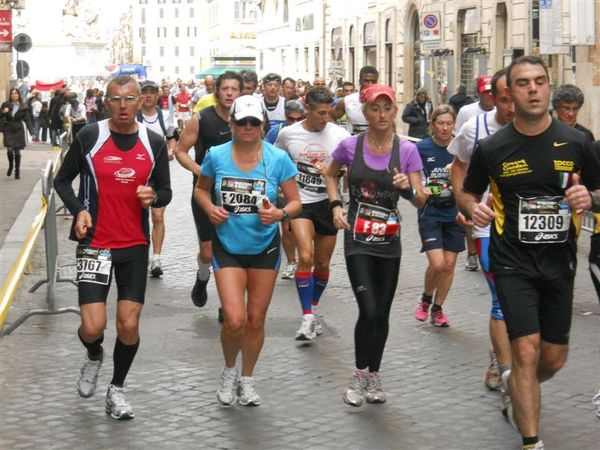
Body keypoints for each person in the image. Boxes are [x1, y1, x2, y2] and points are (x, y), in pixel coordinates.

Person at [457, 56, 600, 450]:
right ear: (510, 93)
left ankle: (515, 387)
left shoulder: (577, 142)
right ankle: (532, 441)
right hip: (511, 262)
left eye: (540, 81)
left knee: (551, 359)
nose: (533, 89)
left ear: (549, 88)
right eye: (523, 83)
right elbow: (468, 192)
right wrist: (474, 208)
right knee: (524, 348)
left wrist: (589, 196)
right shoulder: (492, 147)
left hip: (559, 263)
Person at [53, 75, 172, 420]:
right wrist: (80, 209)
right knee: (92, 327)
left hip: (134, 244)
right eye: (116, 100)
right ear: (105, 103)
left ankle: (117, 389)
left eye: (129, 99)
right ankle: (93, 355)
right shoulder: (90, 135)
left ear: (141, 102)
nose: (123, 107)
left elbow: (165, 190)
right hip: (95, 244)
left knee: (128, 325)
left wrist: (154, 197)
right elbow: (62, 180)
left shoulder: (154, 142)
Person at [195, 95, 301, 406]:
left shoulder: (277, 159)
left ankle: (247, 378)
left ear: (263, 125)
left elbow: (296, 202)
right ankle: (229, 370)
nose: (248, 127)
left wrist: (279, 214)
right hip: (227, 245)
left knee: (255, 319)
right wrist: (210, 208)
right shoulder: (216, 155)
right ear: (232, 124)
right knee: (235, 319)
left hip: (264, 247)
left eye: (255, 122)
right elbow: (200, 189)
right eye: (242, 121)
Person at [325, 84, 427, 407]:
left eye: (387, 108)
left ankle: (374, 375)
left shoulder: (407, 151)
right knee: (367, 309)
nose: (381, 115)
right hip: (357, 238)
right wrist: (335, 205)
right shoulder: (349, 146)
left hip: (389, 241)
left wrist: (407, 189)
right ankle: (358, 374)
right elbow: (329, 174)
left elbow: (421, 199)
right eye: (375, 109)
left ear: (394, 111)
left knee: (381, 314)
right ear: (365, 112)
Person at [449, 68, 515, 393]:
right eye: (503, 100)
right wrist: (467, 204)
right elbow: (458, 167)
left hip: (525, 231)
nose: (511, 107)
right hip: (489, 226)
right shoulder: (475, 128)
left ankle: (501, 350)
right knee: (500, 297)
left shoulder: (538, 129)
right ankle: (505, 369)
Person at [275, 86, 350, 340]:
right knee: (305, 256)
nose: (326, 118)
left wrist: (336, 172)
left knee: (322, 263)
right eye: (320, 113)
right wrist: (282, 194)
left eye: (329, 113)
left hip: (328, 203)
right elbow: (277, 161)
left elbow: (349, 167)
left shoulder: (340, 134)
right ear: (306, 109)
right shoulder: (288, 134)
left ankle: (314, 308)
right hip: (301, 203)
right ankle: (306, 316)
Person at [175, 71, 243, 315]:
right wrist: (199, 170)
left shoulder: (248, 120)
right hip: (205, 193)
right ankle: (202, 277)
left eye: (234, 89)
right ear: (217, 91)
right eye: (225, 88)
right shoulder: (201, 119)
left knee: (233, 249)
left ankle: (228, 304)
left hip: (236, 193)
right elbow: (181, 150)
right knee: (207, 251)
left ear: (241, 92)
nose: (229, 93)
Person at [413, 105, 464, 327]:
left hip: (454, 211)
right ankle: (425, 299)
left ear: (454, 125)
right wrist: (420, 190)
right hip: (430, 211)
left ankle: (438, 308)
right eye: (440, 123)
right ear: (432, 124)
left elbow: (471, 178)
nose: (445, 128)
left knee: (450, 264)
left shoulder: (461, 148)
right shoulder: (421, 148)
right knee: (438, 263)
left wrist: (458, 175)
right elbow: (414, 177)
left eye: (449, 123)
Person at [136, 80, 177, 278]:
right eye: (145, 92)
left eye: (152, 92)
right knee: (138, 215)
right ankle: (138, 254)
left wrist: (171, 149)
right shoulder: (133, 117)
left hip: (158, 172)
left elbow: (172, 136)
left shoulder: (165, 116)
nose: (149, 96)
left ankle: (156, 258)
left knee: (158, 216)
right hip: (138, 172)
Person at [456, 75, 495, 272]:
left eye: (492, 92)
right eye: (485, 92)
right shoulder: (467, 114)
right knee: (472, 218)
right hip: (475, 180)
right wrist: (461, 200)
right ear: (478, 94)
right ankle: (472, 253)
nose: (489, 96)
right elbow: (459, 156)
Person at [265, 99, 305, 280]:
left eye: (299, 119)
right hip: (283, 185)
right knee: (287, 227)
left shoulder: (309, 131)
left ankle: (306, 260)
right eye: (291, 118)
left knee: (302, 226)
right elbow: (265, 153)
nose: (294, 123)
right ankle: (291, 261)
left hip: (305, 185)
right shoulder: (277, 131)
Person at [332, 66, 378, 135]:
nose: (370, 84)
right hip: (353, 144)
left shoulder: (382, 102)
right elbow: (332, 119)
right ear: (360, 81)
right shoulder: (347, 101)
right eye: (366, 81)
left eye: (373, 81)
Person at [0, 88, 34, 180]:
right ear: (10, 95)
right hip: (9, 129)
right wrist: (3, 111)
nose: (14, 95)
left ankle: (17, 171)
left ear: (19, 95)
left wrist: (32, 133)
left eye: (15, 93)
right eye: (12, 93)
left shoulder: (23, 106)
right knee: (10, 150)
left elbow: (27, 120)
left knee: (17, 152)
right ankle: (11, 166)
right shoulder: (6, 104)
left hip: (18, 129)